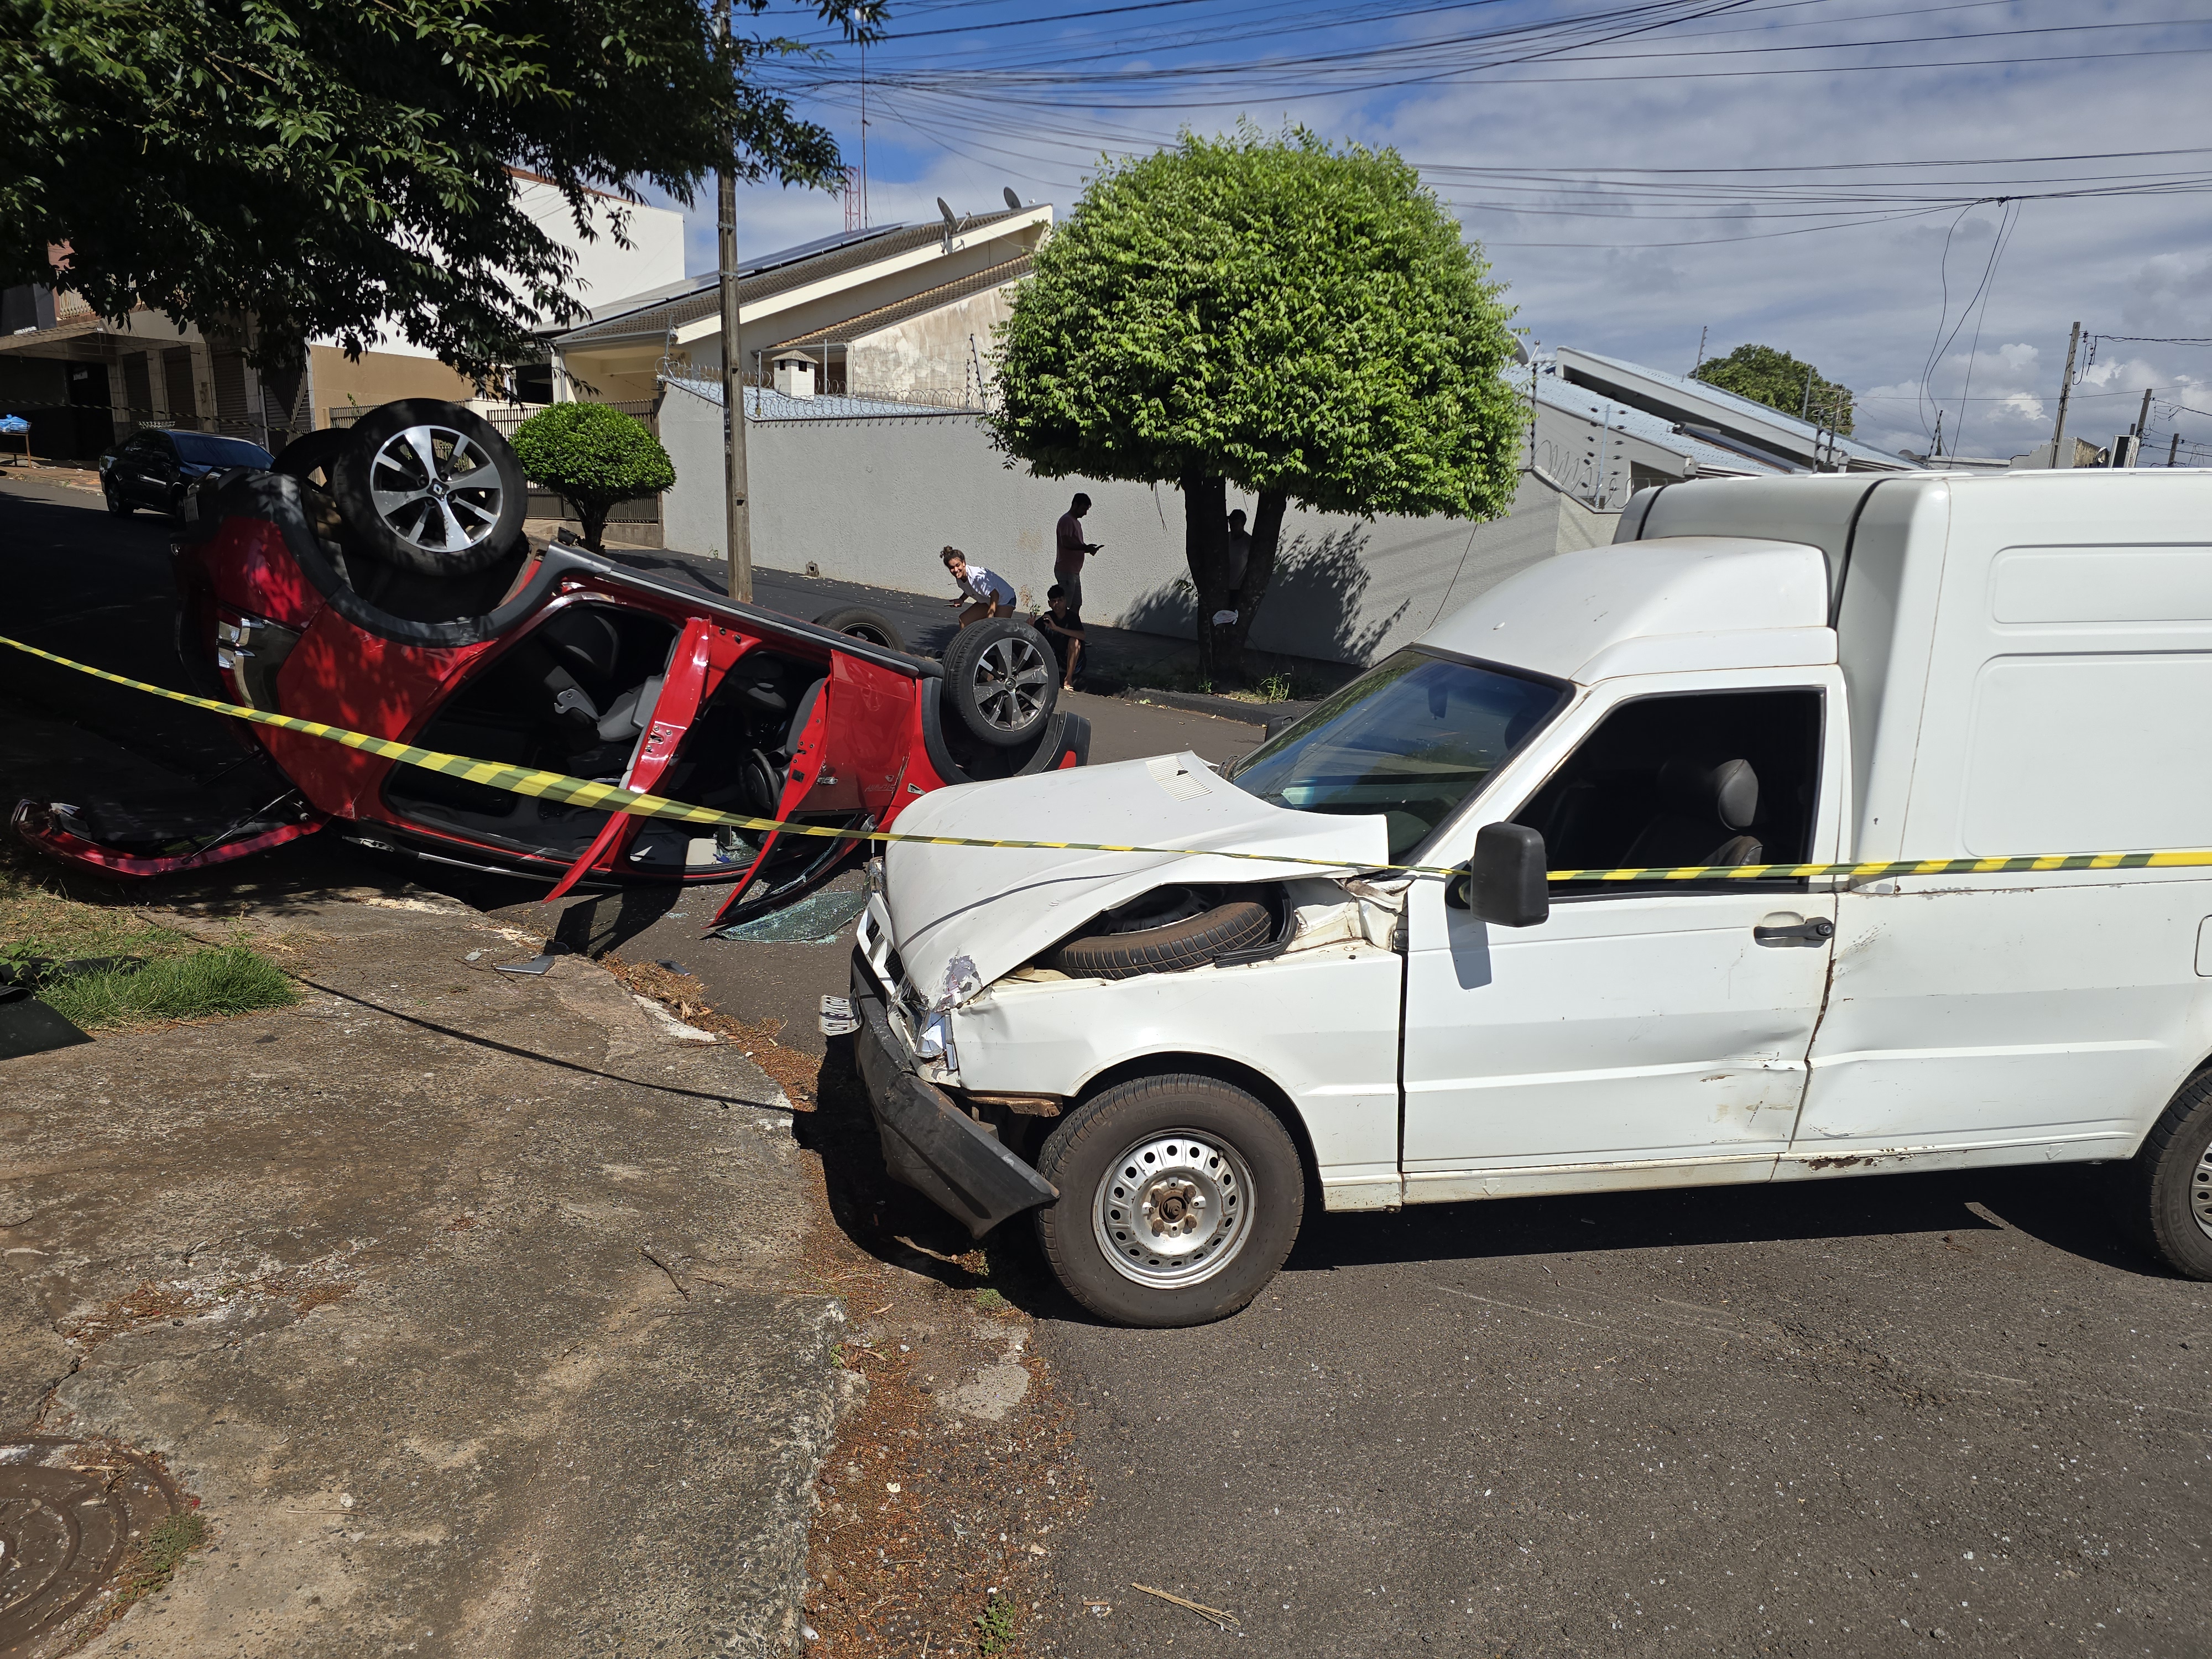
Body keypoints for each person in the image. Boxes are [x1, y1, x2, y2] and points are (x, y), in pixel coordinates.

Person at [942, 545, 1015, 628]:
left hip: (1005, 599)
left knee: (997, 629)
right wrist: (962, 599)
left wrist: (989, 619)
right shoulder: (960, 578)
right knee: (964, 620)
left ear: (963, 563)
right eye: (952, 568)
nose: (956, 570)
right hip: (988, 600)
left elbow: (995, 594)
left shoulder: (977, 576)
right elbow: (970, 589)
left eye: (958, 565)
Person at [1054, 492, 1103, 612]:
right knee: (1064, 606)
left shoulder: (1076, 522)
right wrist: (1086, 548)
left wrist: (1088, 549)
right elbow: (1066, 543)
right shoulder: (1067, 521)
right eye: (1083, 509)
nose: (1085, 513)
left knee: (1076, 604)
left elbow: (1075, 546)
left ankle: (1072, 623)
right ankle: (1062, 624)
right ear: (1075, 505)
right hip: (1066, 571)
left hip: (1074, 572)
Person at [1033, 583, 1087, 690]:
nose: (1057, 604)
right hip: (1056, 661)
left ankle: (1068, 679)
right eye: (1054, 601)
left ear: (1065, 601)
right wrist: (1031, 626)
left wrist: (1057, 628)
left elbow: (1082, 636)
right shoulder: (1047, 618)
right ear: (1049, 603)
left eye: (1060, 600)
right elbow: (1035, 632)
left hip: (1075, 664)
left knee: (1074, 642)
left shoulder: (1072, 617)